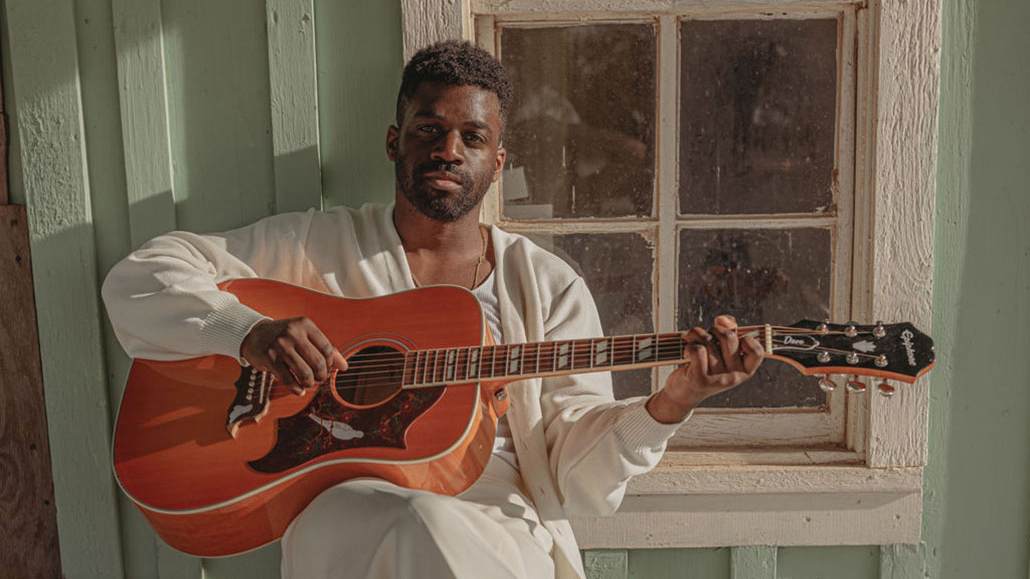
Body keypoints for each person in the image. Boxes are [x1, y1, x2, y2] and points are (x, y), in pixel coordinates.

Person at [102, 40, 764, 579]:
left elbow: (575, 479)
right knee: (419, 521)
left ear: (497, 162)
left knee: (442, 528)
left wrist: (670, 402)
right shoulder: (316, 244)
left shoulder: (547, 285)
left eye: (472, 137)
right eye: (430, 129)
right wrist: (246, 331)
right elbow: (139, 278)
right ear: (395, 142)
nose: (449, 150)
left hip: (499, 518)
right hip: (349, 507)